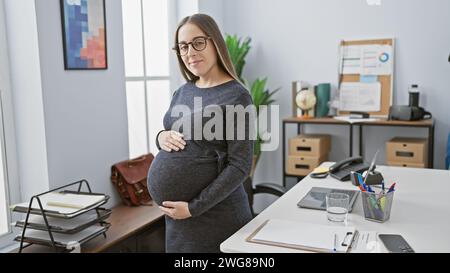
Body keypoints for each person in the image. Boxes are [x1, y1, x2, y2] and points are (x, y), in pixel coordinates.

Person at [146, 13, 254, 253]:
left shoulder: (237, 96)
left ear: (215, 42)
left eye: (198, 42)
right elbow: (170, 134)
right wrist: (160, 138)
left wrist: (194, 207)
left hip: (216, 219)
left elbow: (240, 165)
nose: (190, 52)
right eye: (183, 46)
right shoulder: (182, 92)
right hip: (177, 223)